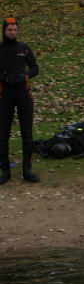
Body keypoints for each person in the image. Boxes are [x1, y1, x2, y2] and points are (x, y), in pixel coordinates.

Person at [1, 16, 40, 184]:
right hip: (4, 96)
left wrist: (25, 75)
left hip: (24, 94)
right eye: (10, 29)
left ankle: (27, 170)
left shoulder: (23, 48)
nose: (13, 32)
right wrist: (4, 77)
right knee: (2, 135)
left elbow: (35, 68)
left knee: (27, 133)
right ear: (4, 31)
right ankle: (5, 171)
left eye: (15, 29)